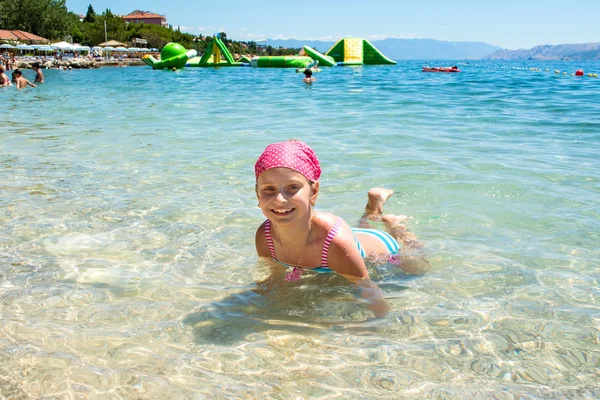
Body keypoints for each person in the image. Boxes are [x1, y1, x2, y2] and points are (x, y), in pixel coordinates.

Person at [254, 140, 430, 318]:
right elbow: (276, 277)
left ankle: (395, 227)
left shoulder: (334, 242)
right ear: (257, 194)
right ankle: (374, 205)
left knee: (419, 268)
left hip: (381, 246)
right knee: (358, 232)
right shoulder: (264, 236)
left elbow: (374, 297)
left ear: (313, 192)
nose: (280, 199)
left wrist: (369, 332)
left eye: (292, 187)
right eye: (269, 189)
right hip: (351, 238)